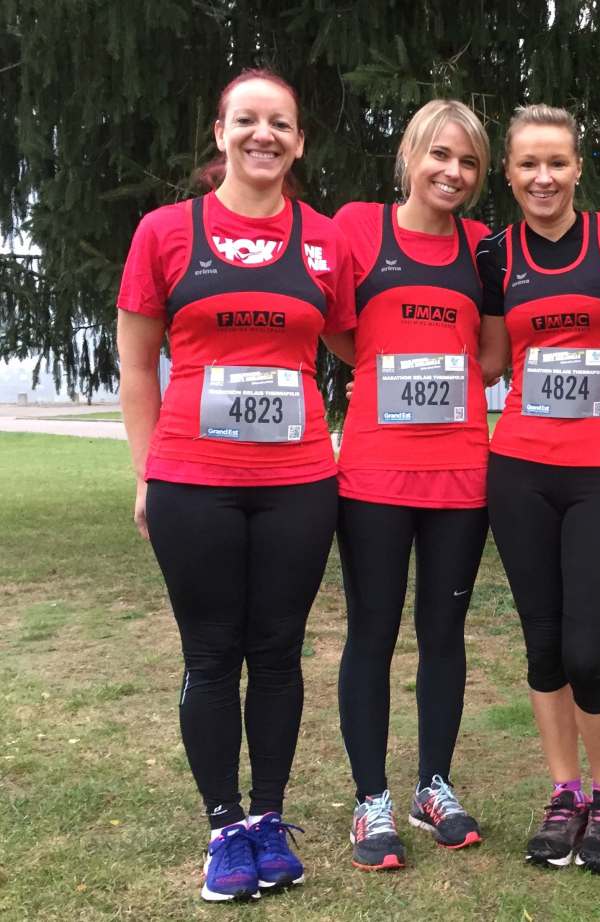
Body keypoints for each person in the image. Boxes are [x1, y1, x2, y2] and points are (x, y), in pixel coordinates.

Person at [116, 69, 355, 902]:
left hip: (299, 482)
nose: (264, 134)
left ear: (299, 142)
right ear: (220, 134)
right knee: (213, 654)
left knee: (279, 652)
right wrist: (145, 471)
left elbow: (360, 343)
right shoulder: (164, 232)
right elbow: (136, 367)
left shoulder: (324, 240)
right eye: (247, 120)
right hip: (193, 481)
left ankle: (268, 819)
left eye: (280, 123)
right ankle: (224, 828)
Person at [324, 99, 504, 869]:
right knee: (372, 631)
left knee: (444, 633)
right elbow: (335, 327)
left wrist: (435, 370)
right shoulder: (357, 228)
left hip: (460, 473)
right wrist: (381, 366)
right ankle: (371, 799)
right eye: (440, 155)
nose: (452, 172)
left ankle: (434, 786)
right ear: (409, 156)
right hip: (373, 473)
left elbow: (492, 356)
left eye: (468, 162)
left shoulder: (484, 247)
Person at [475, 104, 600, 874]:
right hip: (517, 468)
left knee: (586, 648)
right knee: (543, 646)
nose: (543, 178)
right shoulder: (496, 255)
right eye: (528, 165)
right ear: (508, 174)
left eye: (557, 162)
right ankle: (565, 794)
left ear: (578, 168)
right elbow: (487, 359)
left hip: (599, 470)